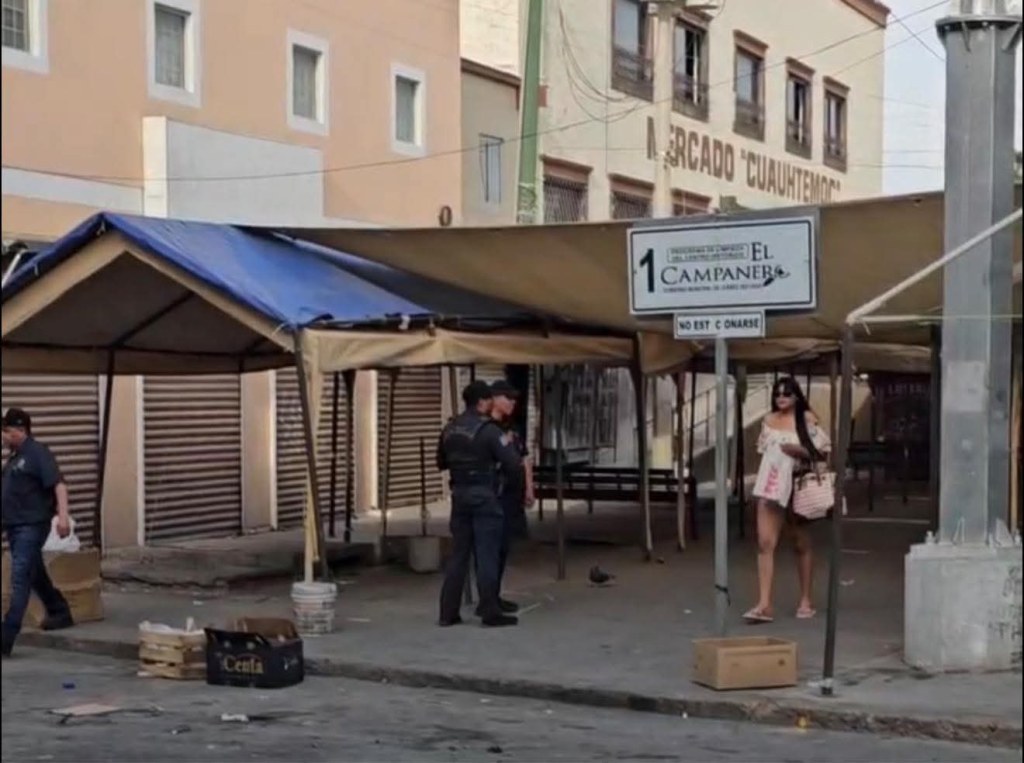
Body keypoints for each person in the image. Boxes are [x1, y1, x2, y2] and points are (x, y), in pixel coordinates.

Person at [744, 377, 831, 625]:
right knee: (764, 543)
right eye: (778, 393)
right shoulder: (768, 421)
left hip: (796, 485)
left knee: (800, 542)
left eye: (787, 393)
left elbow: (822, 452)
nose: (781, 398)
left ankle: (805, 599)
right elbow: (764, 453)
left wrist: (799, 450)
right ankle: (764, 603)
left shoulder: (807, 420)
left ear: (796, 397)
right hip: (770, 486)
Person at [436, 381, 522, 628]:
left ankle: (447, 612)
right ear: (484, 401)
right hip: (485, 494)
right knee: (487, 553)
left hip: (459, 495)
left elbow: (440, 462)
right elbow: (513, 464)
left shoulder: (450, 429)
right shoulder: (489, 430)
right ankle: (490, 611)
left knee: (458, 555)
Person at [2, 408, 75, 657]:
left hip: (31, 526)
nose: (3, 436)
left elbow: (58, 484)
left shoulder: (37, 453)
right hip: (15, 527)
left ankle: (6, 636)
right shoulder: (15, 457)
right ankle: (59, 611)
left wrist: (62, 518)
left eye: (6, 431)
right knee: (33, 571)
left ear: (19, 430)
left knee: (20, 577)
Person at [489, 380, 534, 607]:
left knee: (504, 547)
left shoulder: (512, 428)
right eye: (508, 398)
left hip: (511, 495)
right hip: (493, 494)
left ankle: (495, 595)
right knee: (491, 548)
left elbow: (524, 457)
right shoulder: (487, 428)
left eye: (515, 399)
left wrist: (529, 487)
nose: (512, 403)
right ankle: (489, 598)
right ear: (494, 399)